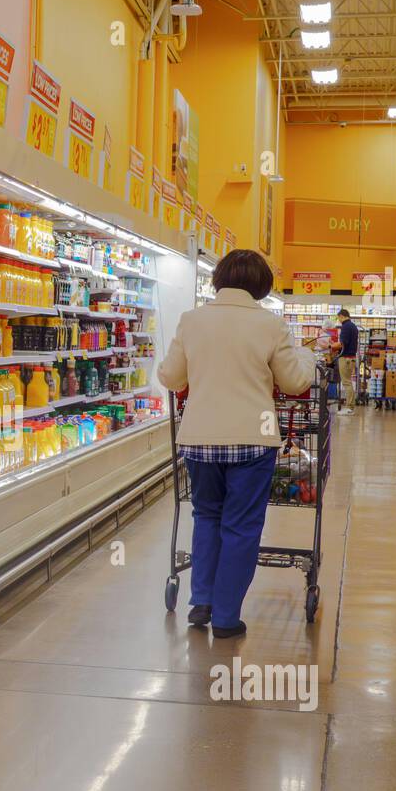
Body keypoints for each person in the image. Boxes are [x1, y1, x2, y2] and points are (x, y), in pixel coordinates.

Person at [157, 249, 316, 638]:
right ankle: (226, 617)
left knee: (206, 515)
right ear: (262, 286)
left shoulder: (191, 320)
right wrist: (307, 357)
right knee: (241, 526)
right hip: (252, 437)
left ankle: (202, 601)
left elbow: (171, 378)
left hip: (199, 438)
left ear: (218, 280)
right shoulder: (271, 325)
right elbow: (296, 383)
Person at [330, 309, 359, 414]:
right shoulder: (353, 326)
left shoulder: (346, 327)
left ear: (342, 316)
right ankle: (350, 406)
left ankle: (349, 407)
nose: (339, 320)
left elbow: (342, 344)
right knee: (348, 382)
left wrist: (330, 346)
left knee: (346, 382)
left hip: (346, 358)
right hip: (350, 358)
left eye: (338, 318)